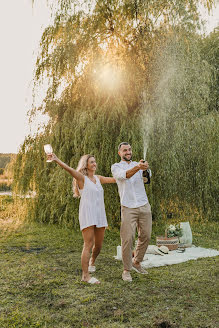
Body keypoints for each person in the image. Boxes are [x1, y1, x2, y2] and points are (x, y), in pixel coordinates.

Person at [47, 153, 115, 284]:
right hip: (88, 213)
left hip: (100, 213)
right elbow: (69, 169)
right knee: (88, 244)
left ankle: (92, 261)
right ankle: (85, 276)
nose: (94, 164)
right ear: (86, 165)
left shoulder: (98, 178)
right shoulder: (82, 178)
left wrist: (132, 173)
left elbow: (115, 179)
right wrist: (56, 160)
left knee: (99, 245)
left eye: (95, 162)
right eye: (91, 162)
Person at [111, 142, 152, 282]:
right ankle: (126, 270)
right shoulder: (116, 167)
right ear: (119, 153)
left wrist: (145, 169)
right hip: (128, 206)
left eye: (129, 150)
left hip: (143, 204)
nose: (128, 152)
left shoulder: (139, 164)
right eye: (124, 150)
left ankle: (137, 262)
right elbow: (125, 176)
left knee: (146, 235)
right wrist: (138, 167)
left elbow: (147, 179)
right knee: (128, 238)